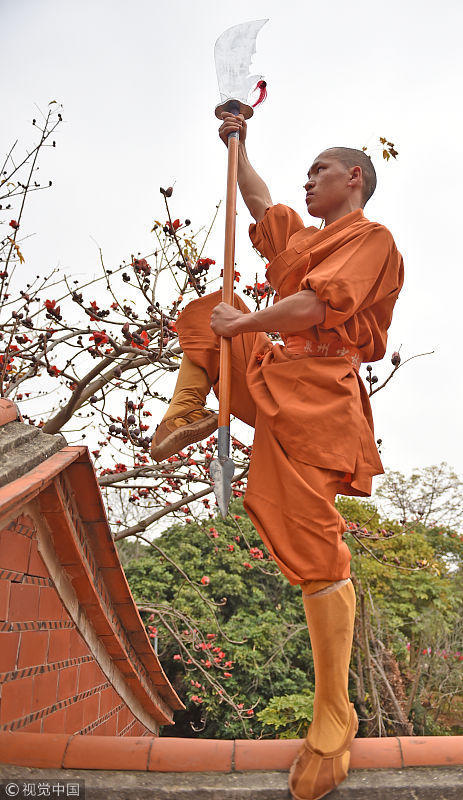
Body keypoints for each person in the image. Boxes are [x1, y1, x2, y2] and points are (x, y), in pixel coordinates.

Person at [151, 113, 404, 800]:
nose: (307, 180)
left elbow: (316, 309)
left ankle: (332, 714)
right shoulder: (305, 238)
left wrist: (249, 324)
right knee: (211, 308)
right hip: (272, 375)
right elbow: (259, 203)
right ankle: (186, 411)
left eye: (319, 170)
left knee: (315, 546)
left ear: (353, 177)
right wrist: (237, 141)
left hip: (320, 392)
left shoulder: (370, 239)